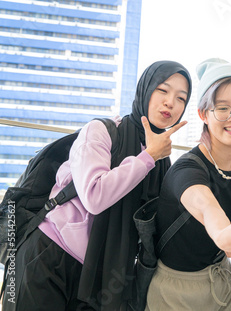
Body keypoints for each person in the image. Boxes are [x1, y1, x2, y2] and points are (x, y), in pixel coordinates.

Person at [2, 61, 192, 311]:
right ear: (145, 89)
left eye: (181, 98)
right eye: (163, 90)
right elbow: (94, 195)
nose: (170, 102)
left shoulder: (163, 164)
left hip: (97, 278)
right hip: (47, 253)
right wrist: (147, 158)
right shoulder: (101, 131)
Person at [145, 58, 231, 311]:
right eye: (222, 109)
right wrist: (224, 236)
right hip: (176, 291)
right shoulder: (187, 169)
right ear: (203, 114)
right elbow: (206, 206)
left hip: (222, 279)